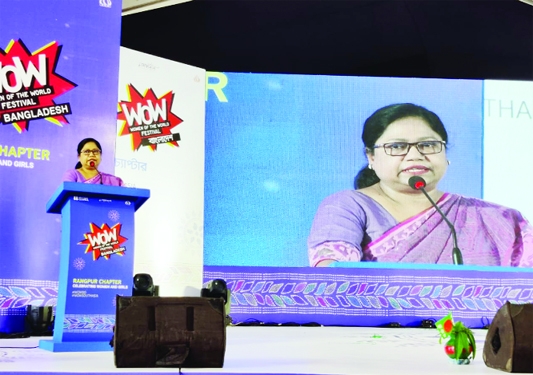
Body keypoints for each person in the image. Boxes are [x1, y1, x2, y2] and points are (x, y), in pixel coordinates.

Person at [308, 103, 533, 267]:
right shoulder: (346, 206)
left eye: (428, 145)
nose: (415, 155)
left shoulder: (498, 219)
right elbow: (333, 280)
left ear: (445, 154)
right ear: (371, 157)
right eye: (397, 146)